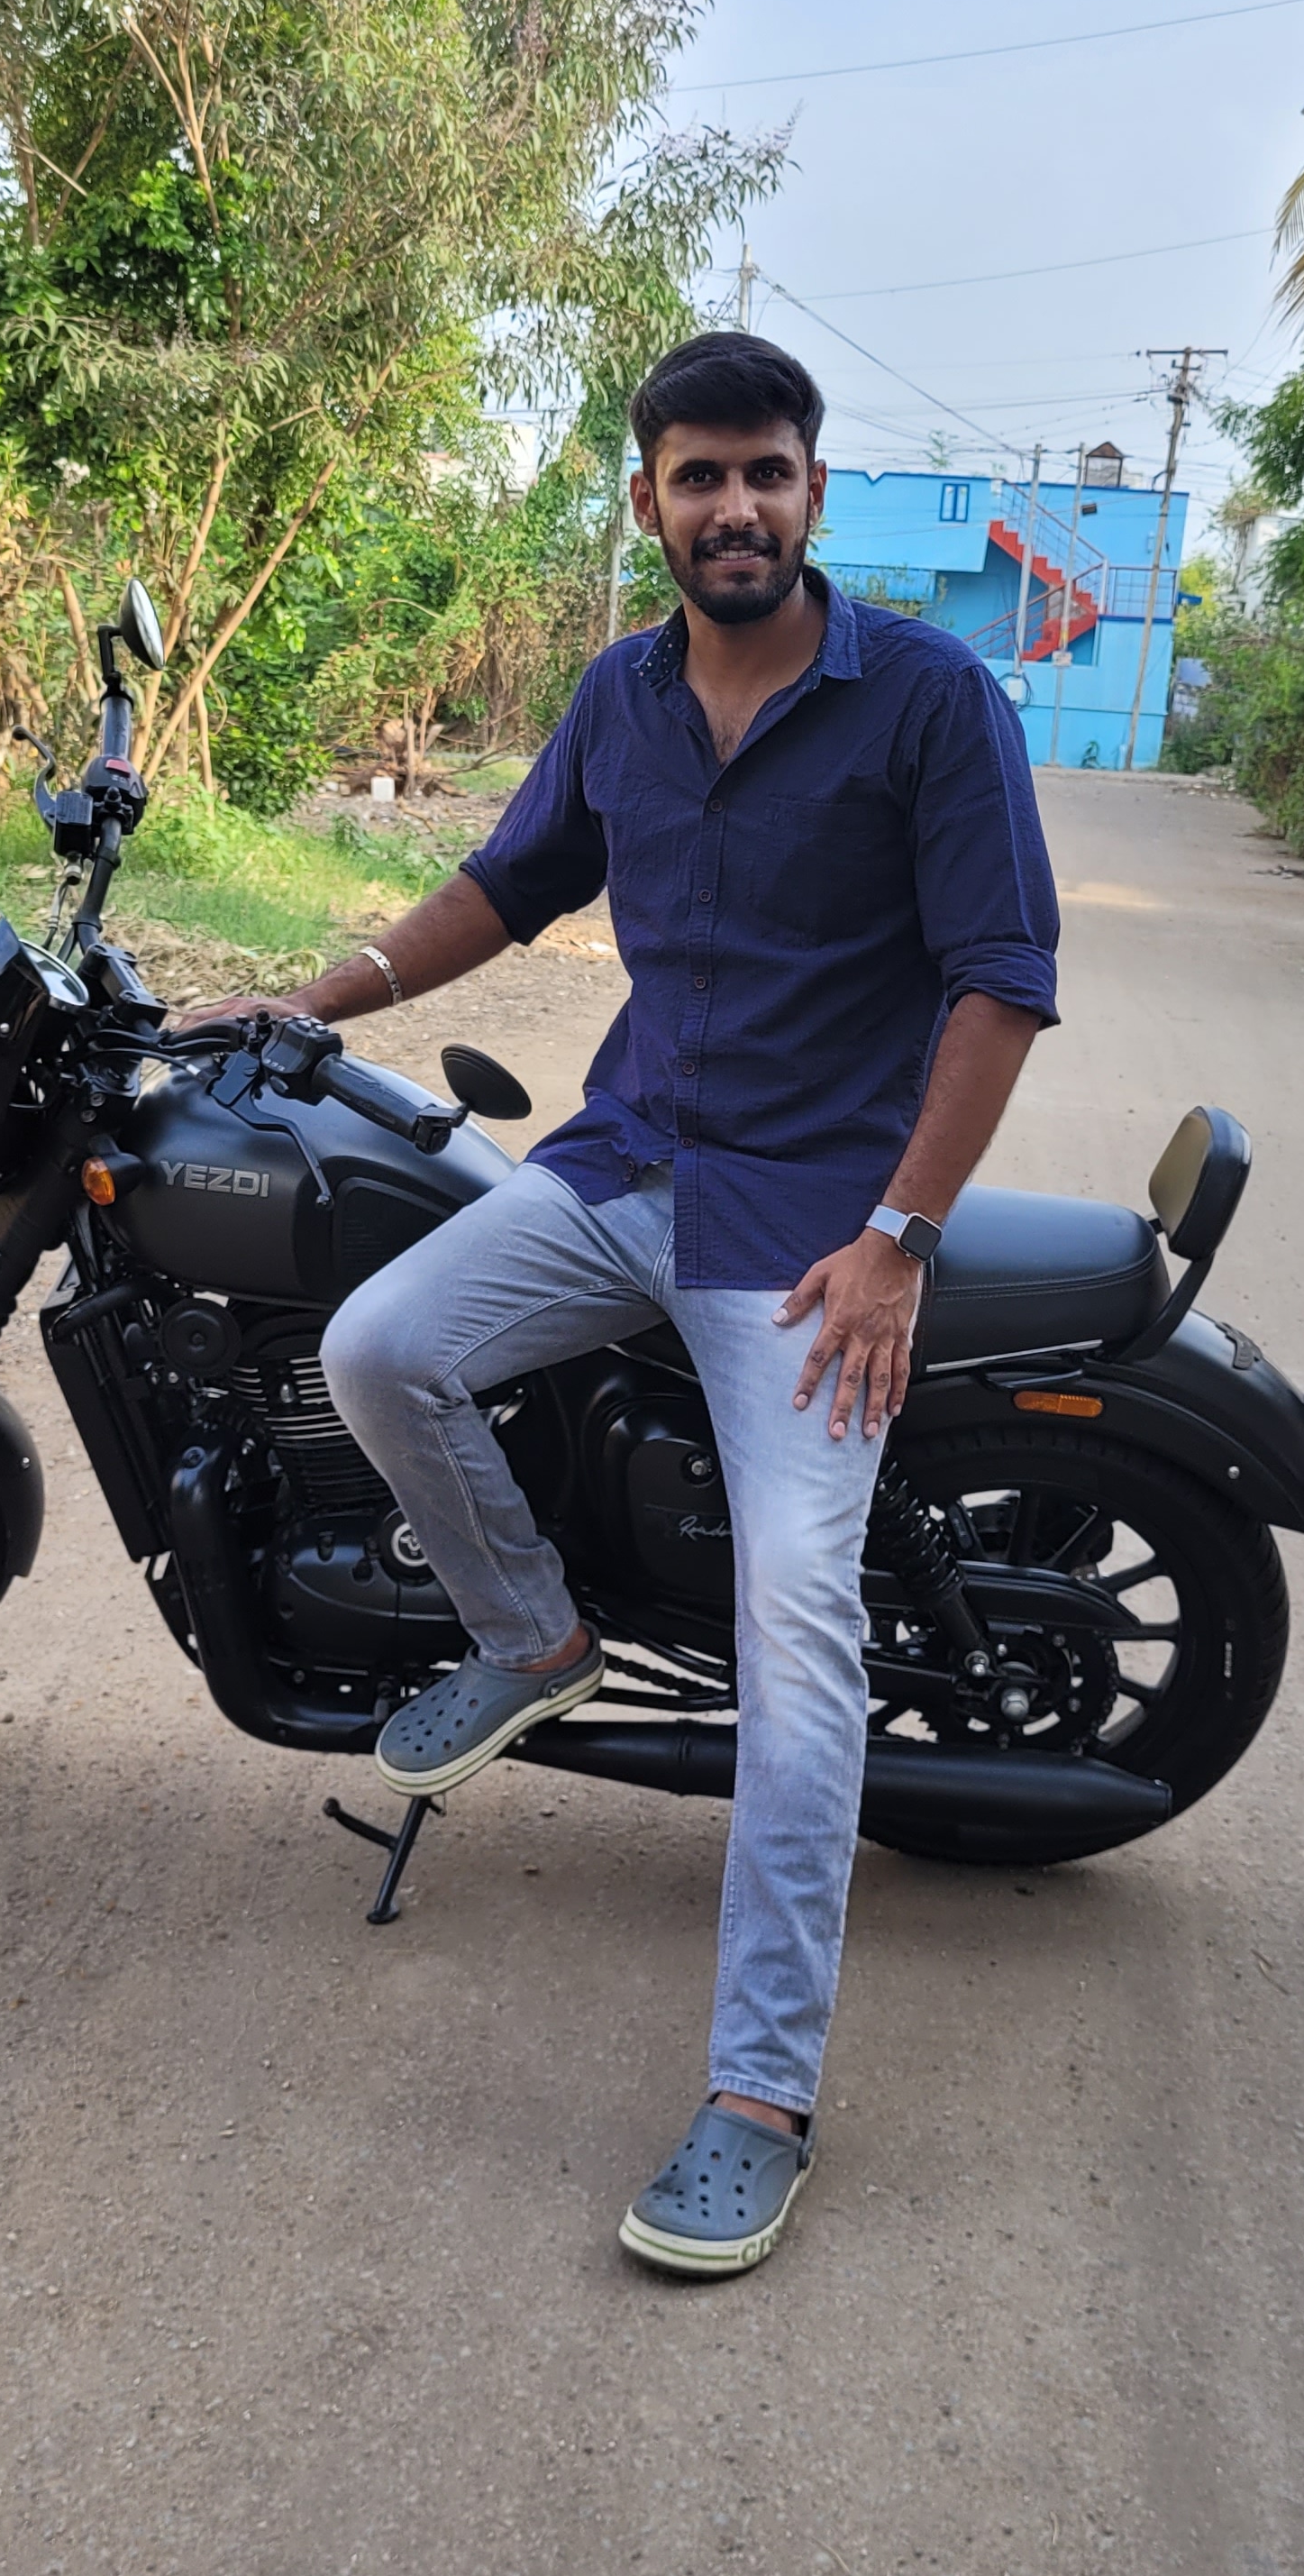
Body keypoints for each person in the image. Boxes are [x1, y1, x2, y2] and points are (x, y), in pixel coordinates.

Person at [185, 332, 1059, 2276]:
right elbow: (505, 888)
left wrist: (900, 1239)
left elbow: (1000, 986)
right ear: (650, 499)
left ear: (813, 488)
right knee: (379, 1344)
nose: (733, 508)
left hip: (810, 1231)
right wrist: (306, 1001)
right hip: (625, 1160)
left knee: (799, 1639)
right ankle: (536, 1633)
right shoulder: (622, 696)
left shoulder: (930, 701)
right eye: (696, 477)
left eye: (765, 472)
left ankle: (761, 2095)